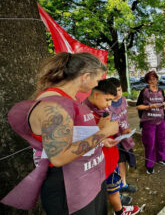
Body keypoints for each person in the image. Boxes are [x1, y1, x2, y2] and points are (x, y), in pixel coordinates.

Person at [2, 52, 119, 214]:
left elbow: (73, 135)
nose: (96, 85)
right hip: (69, 190)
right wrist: (104, 133)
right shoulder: (53, 105)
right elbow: (59, 156)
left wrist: (100, 137)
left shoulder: (72, 99)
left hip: (88, 181)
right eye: (97, 80)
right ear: (85, 76)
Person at [84, 79, 140, 215]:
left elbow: (107, 132)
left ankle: (119, 204)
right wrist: (103, 129)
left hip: (110, 154)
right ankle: (119, 211)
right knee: (107, 189)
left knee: (113, 185)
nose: (109, 105)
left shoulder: (102, 109)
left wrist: (118, 133)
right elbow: (85, 140)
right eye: (108, 100)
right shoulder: (84, 112)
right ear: (96, 94)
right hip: (97, 161)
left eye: (111, 101)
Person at [106, 78, 138, 193]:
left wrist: (126, 130)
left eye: (119, 90)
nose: (117, 94)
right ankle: (116, 190)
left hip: (125, 138)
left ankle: (123, 184)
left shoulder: (124, 100)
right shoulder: (106, 104)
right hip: (114, 140)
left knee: (123, 161)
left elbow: (124, 117)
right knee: (115, 163)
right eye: (114, 91)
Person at [136, 71, 165, 174]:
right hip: (148, 121)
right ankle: (149, 164)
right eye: (150, 79)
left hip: (160, 121)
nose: (153, 81)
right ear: (147, 81)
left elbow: (164, 102)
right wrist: (150, 106)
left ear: (157, 79)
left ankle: (161, 158)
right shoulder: (144, 91)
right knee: (150, 143)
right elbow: (138, 106)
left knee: (161, 141)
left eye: (154, 79)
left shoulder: (161, 91)